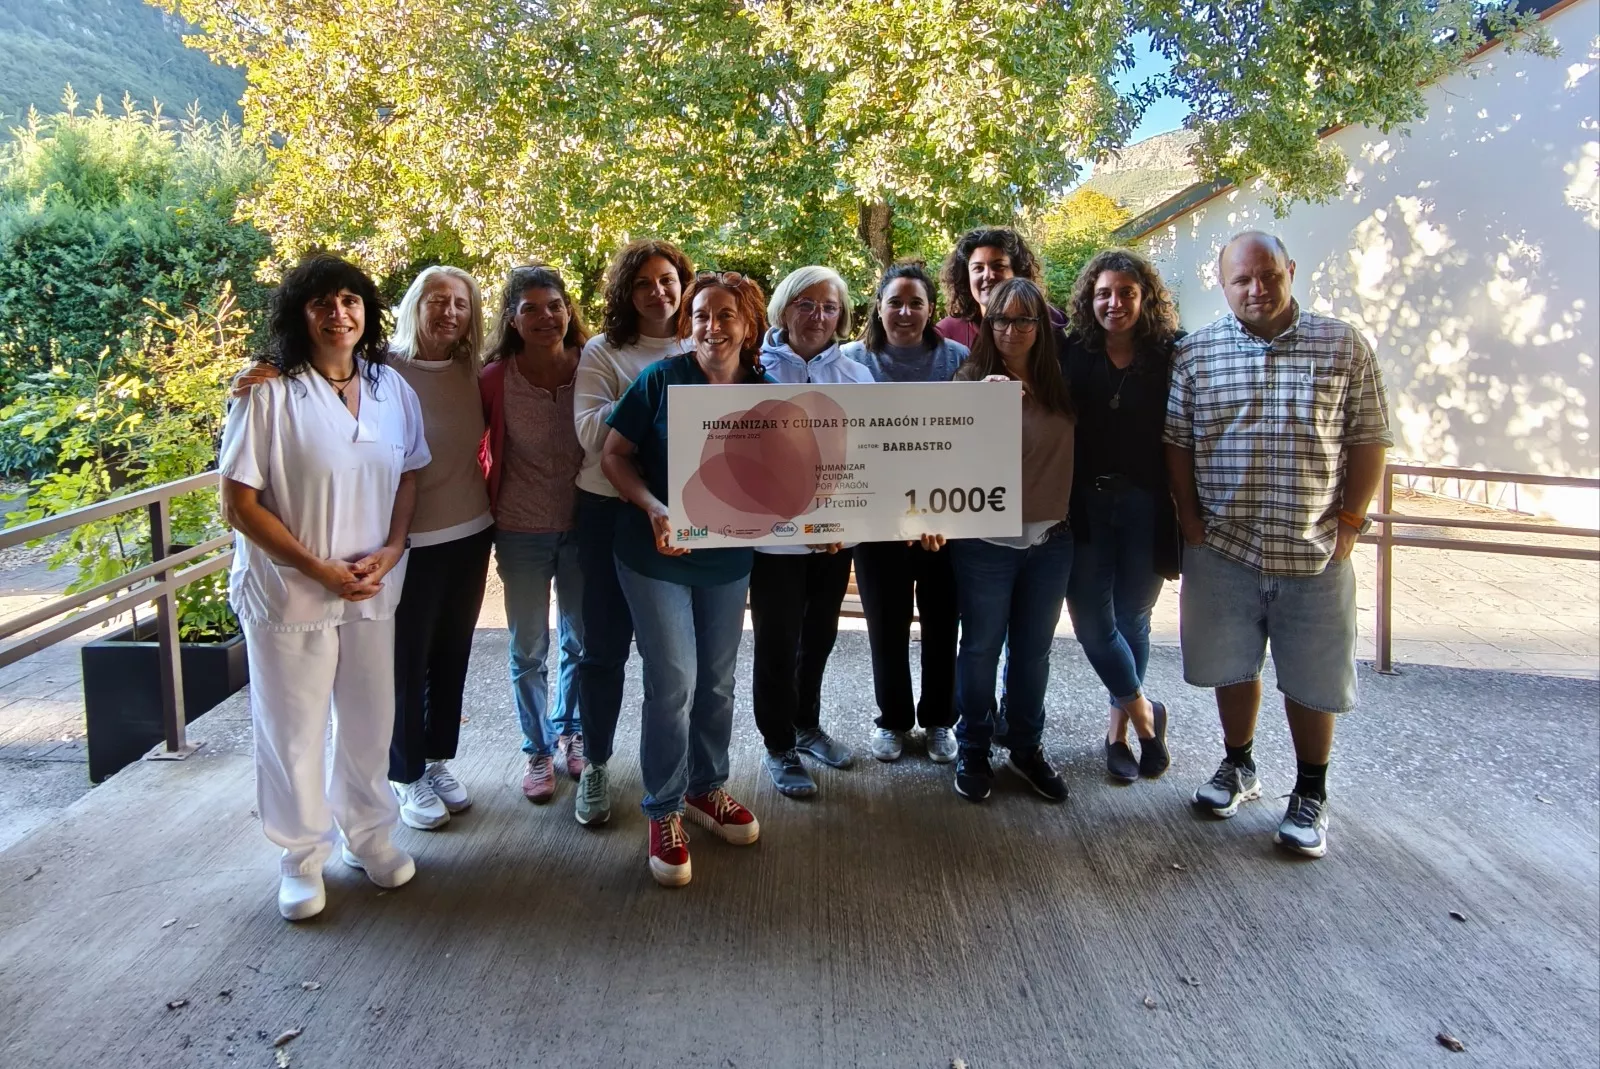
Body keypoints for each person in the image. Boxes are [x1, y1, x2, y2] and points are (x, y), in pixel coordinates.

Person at [1165, 231, 1392, 858]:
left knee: (1312, 679)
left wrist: (1350, 521)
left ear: (1290, 271)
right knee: (1231, 666)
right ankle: (1238, 766)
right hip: (1224, 545)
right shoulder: (1197, 353)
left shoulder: (1342, 344)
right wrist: (1187, 518)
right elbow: (1178, 441)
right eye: (1243, 280)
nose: (1257, 289)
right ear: (1224, 284)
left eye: (1268, 275)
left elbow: (1369, 437)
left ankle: (1311, 793)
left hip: (1313, 548)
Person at [219, 253, 428, 920]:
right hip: (292, 588)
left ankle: (369, 835)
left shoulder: (392, 388)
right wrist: (316, 566)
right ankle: (301, 858)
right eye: (321, 302)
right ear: (299, 314)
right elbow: (238, 502)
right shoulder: (268, 391)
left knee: (371, 719)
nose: (338, 313)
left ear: (366, 311)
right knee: (293, 729)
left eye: (349, 300)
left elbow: (410, 475)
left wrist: (393, 549)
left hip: (371, 586)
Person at [601, 271, 768, 887]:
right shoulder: (662, 380)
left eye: (725, 316)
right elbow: (613, 456)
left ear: (748, 325)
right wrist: (654, 507)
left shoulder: (767, 394)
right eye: (700, 315)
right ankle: (664, 808)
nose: (711, 326)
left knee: (718, 683)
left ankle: (707, 789)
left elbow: (794, 481)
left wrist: (822, 522)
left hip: (727, 560)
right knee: (675, 681)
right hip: (655, 554)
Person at [570, 240, 695, 827]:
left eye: (667, 279)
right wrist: (656, 402)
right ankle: (594, 763)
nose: (658, 292)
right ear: (627, 292)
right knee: (604, 648)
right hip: (608, 512)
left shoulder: (703, 343)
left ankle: (677, 773)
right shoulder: (603, 350)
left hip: (689, 513)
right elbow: (592, 433)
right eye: (643, 283)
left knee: (675, 659)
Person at [947, 278, 1077, 804]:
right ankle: (973, 746)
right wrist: (981, 404)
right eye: (1001, 319)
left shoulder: (1064, 382)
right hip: (984, 543)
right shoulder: (969, 381)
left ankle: (1026, 746)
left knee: (1032, 653)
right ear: (986, 325)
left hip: (1051, 539)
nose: (1012, 330)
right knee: (980, 648)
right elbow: (945, 457)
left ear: (1042, 328)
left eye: (1025, 320)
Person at [749, 265, 873, 797]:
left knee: (818, 639)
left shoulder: (857, 376)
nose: (818, 316)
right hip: (771, 537)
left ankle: (806, 726)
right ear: (783, 308)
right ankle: (778, 746)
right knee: (777, 643)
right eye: (806, 304)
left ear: (841, 315)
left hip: (832, 537)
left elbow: (869, 458)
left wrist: (850, 521)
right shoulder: (751, 368)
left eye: (828, 307)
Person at [1062, 249, 1183, 784]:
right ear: (1090, 299)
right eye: (1104, 293)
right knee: (1091, 622)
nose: (1115, 303)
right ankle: (1145, 716)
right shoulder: (1071, 352)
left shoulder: (1169, 354)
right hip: (1084, 505)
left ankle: (1117, 735)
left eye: (1127, 293)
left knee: (1133, 618)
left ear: (1145, 298)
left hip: (1146, 507)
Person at [841, 261, 968, 763]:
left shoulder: (959, 360)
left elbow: (972, 441)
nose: (906, 311)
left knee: (943, 626)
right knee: (885, 627)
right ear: (879, 306)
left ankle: (939, 721)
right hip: (877, 525)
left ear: (931, 308)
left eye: (916, 302)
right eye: (895, 301)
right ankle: (892, 720)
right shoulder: (851, 361)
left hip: (943, 523)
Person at [480, 265, 588, 805]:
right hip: (520, 529)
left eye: (555, 306)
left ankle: (572, 733)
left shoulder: (592, 366)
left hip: (584, 527)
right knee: (528, 648)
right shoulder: (495, 379)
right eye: (531, 309)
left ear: (569, 310)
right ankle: (537, 749)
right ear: (512, 319)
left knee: (581, 642)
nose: (546, 317)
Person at [936, 227, 1068, 350]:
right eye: (978, 268)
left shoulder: (1047, 321)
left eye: (998, 266)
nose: (988, 276)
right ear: (966, 277)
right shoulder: (948, 333)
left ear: (1017, 272)